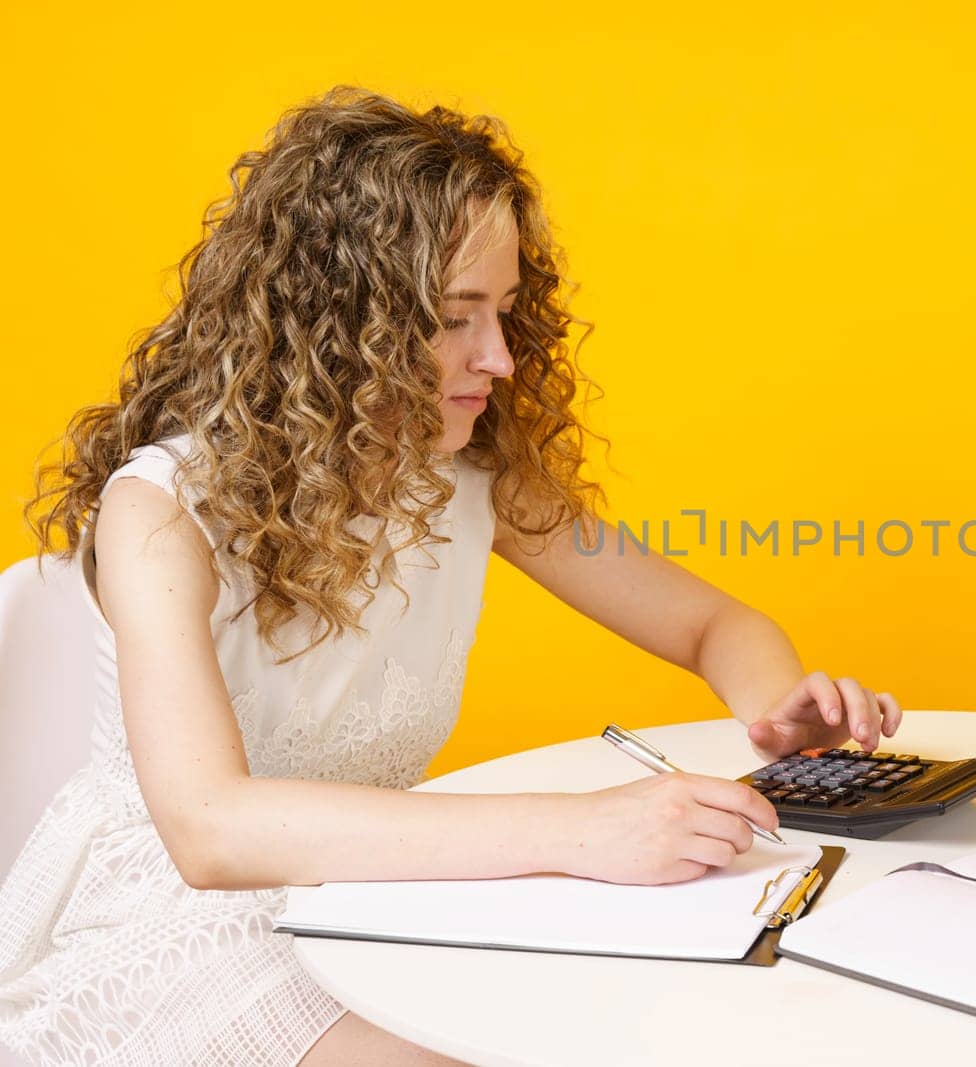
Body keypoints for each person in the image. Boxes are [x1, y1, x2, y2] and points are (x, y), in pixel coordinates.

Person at [0, 85, 902, 1066]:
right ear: (336, 322)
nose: (502, 358)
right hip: (184, 926)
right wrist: (582, 830)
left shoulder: (475, 477)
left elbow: (713, 627)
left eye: (506, 312)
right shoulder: (163, 509)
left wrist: (777, 711)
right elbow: (212, 830)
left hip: (380, 889)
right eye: (453, 318)